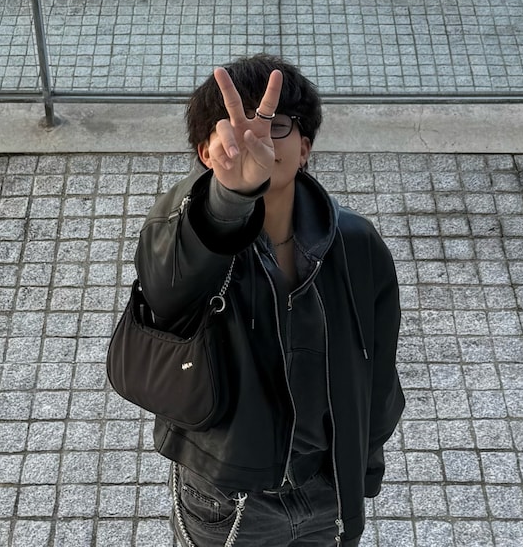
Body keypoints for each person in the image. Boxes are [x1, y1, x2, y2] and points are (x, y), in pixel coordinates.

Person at [135, 54, 404, 546]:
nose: (256, 140)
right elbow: (164, 287)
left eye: (277, 125)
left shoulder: (357, 244)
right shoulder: (188, 238)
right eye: (233, 129)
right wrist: (230, 199)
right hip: (226, 498)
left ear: (305, 148)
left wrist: (363, 466)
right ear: (206, 153)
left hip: (326, 488)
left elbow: (378, 369)